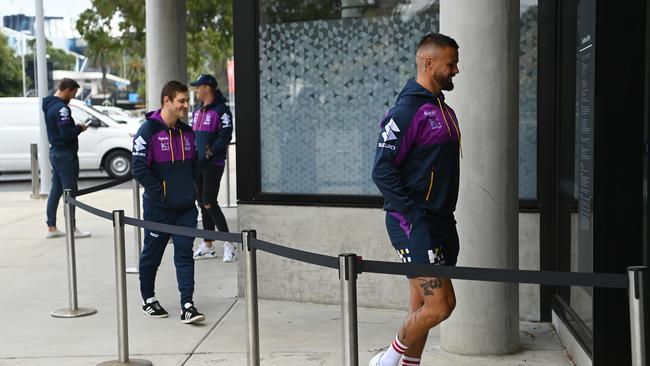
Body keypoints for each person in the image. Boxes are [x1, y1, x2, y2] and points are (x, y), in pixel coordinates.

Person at [370, 33, 461, 366]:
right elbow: (382, 171)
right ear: (429, 62)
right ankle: (388, 358)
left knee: (421, 308)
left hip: (441, 222)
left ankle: (408, 365)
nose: (456, 70)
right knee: (441, 305)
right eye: (450, 63)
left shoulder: (445, 111)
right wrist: (413, 215)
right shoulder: (406, 112)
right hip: (414, 224)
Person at [131, 80, 204, 324]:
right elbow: (139, 168)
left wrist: (192, 191)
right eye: (181, 101)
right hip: (158, 208)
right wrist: (160, 193)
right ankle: (148, 299)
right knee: (152, 255)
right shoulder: (148, 132)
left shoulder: (188, 133)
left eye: (186, 101)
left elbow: (195, 166)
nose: (186, 105)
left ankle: (188, 304)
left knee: (185, 254)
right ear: (167, 101)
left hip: (185, 208)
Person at [188, 74, 236, 262]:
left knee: (210, 202)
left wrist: (211, 152)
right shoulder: (199, 111)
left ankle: (229, 244)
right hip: (197, 164)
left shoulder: (221, 111)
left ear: (207, 88)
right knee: (202, 204)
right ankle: (208, 245)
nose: (196, 90)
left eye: (198, 87)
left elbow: (226, 135)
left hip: (213, 164)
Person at [43, 78, 91, 239]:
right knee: (70, 192)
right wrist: (79, 128)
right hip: (65, 155)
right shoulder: (61, 109)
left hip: (55, 152)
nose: (73, 96)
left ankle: (51, 226)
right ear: (68, 90)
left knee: (56, 190)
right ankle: (72, 227)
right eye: (74, 92)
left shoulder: (48, 104)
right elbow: (66, 134)